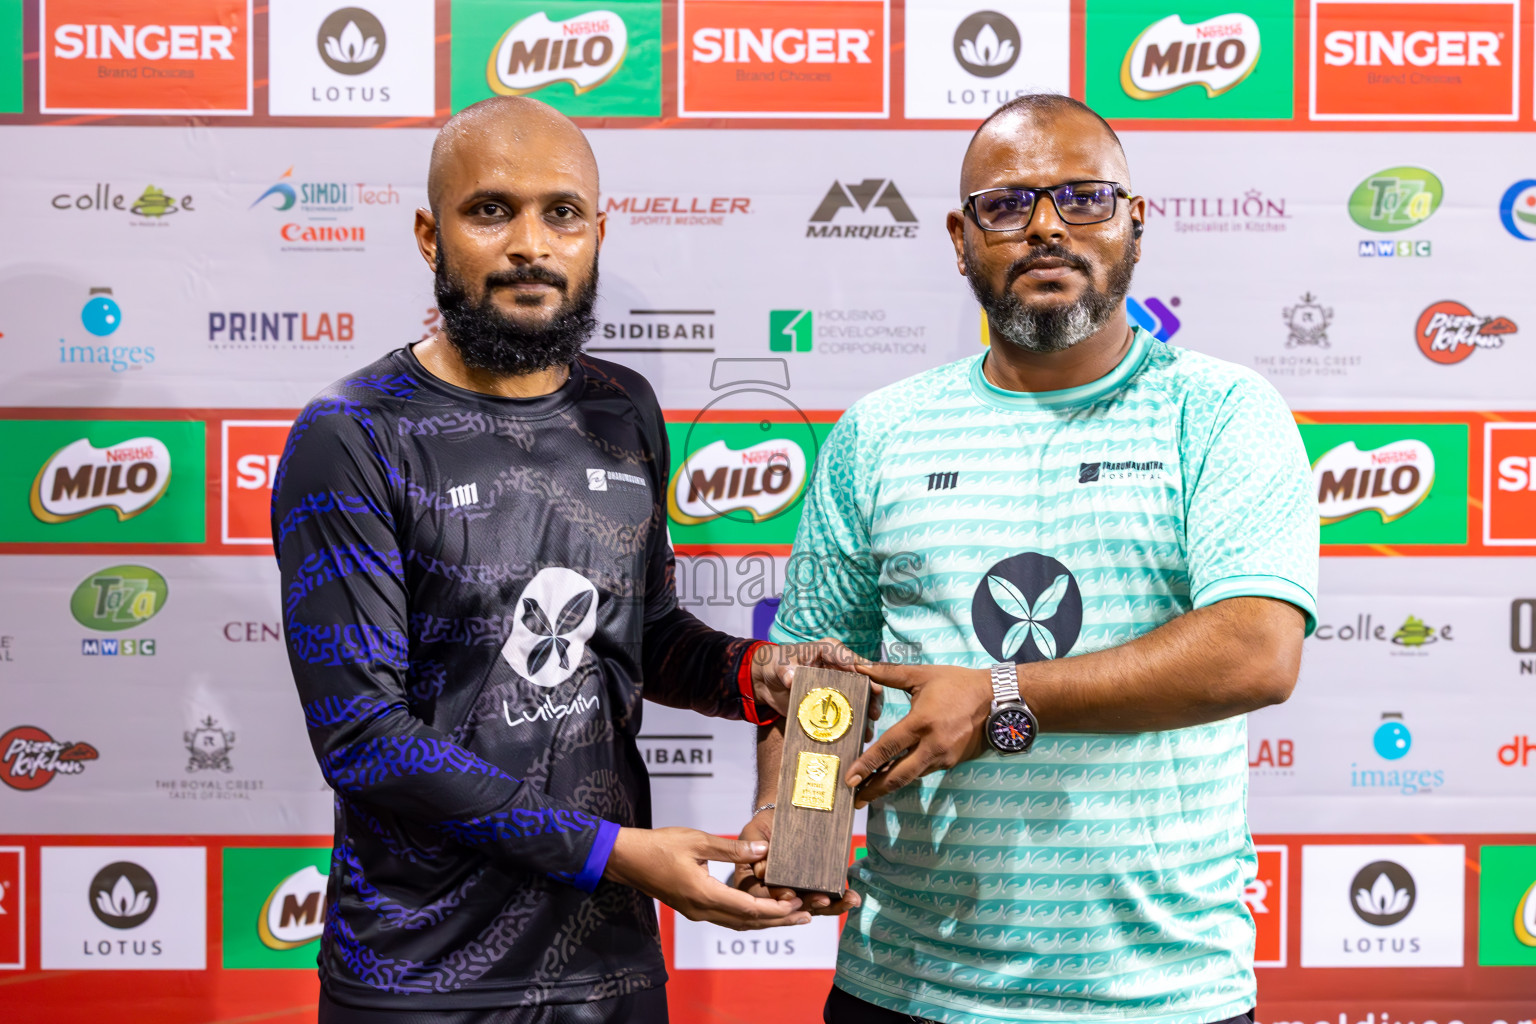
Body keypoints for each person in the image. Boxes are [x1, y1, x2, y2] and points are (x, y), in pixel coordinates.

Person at [272, 96, 857, 1024]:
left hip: (610, 966)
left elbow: (643, 632)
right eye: (490, 210)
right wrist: (617, 851)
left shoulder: (623, 408)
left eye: (562, 213)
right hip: (418, 977)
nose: (530, 245)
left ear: (597, 231)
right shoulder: (353, 432)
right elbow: (363, 738)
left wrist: (760, 675)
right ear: (430, 234)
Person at [737, 94, 1319, 1024]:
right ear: (961, 237)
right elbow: (816, 677)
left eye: (1084, 197)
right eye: (1009, 206)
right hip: (906, 986)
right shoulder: (880, 433)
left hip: (1158, 995)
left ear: (1137, 220)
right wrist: (793, 820)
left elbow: (1256, 651)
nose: (1047, 226)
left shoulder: (1220, 412)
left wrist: (1001, 696)